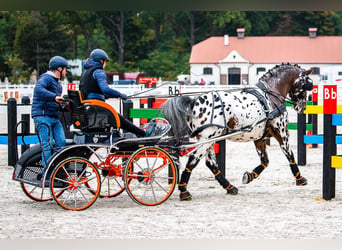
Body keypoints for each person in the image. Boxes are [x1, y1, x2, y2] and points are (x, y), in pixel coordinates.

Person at [79, 48, 147, 137]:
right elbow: (105, 89)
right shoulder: (99, 72)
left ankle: (138, 133)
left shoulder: (85, 72)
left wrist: (106, 96)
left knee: (119, 118)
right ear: (101, 61)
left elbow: (92, 89)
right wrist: (120, 94)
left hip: (90, 104)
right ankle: (142, 133)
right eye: (105, 62)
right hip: (97, 105)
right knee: (119, 119)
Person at [31, 56, 69, 177]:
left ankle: (57, 170)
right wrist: (54, 97)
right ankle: (46, 173)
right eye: (65, 69)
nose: (65, 72)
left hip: (53, 117)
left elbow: (55, 101)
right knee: (47, 144)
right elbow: (38, 89)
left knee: (61, 143)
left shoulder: (58, 85)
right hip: (42, 115)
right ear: (59, 68)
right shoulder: (46, 78)